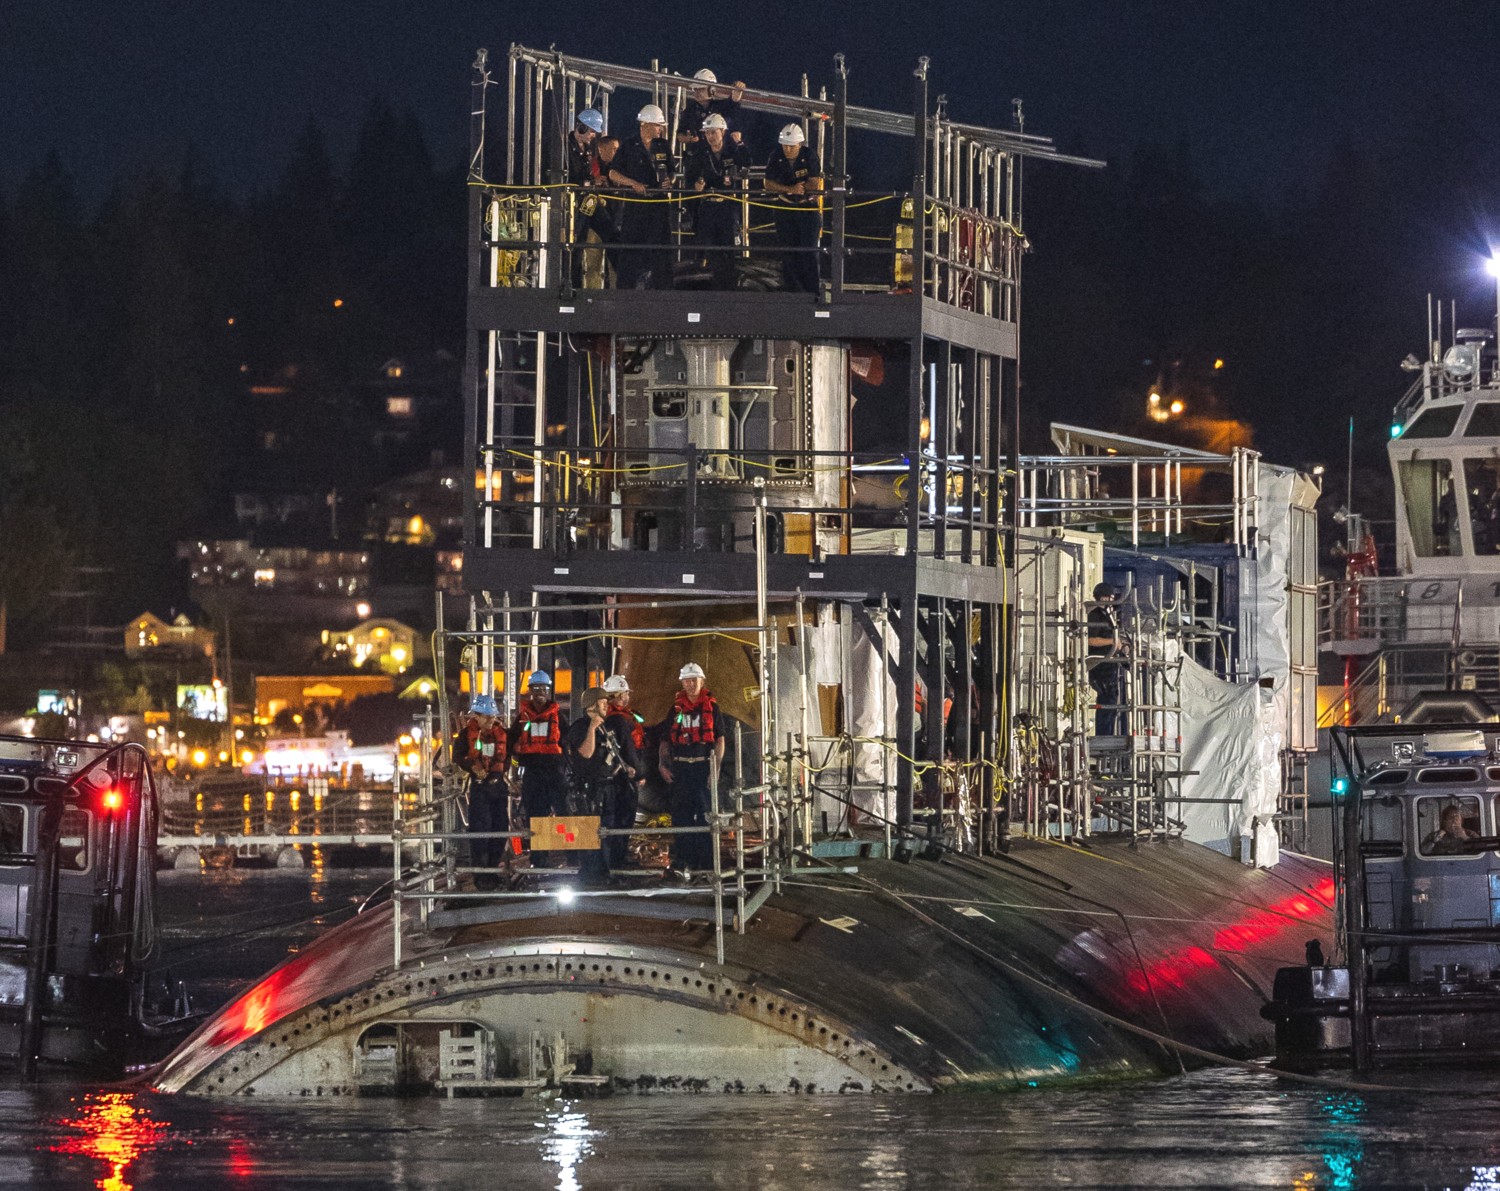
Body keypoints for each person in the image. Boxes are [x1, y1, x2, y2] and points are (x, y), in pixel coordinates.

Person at [658, 661, 725, 875]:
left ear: (702, 681)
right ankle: (684, 860)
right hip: (681, 769)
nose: (690, 684)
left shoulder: (713, 708)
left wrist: (715, 768)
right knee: (681, 816)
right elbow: (665, 740)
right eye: (687, 681)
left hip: (702, 767)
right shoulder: (675, 709)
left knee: (706, 815)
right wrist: (662, 764)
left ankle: (706, 863)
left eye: (694, 680)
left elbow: (720, 740)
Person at [563, 687, 629, 886]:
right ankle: (589, 875)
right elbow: (585, 753)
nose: (606, 705)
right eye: (602, 702)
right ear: (592, 705)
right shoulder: (580, 727)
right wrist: (591, 728)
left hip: (606, 787)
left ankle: (604, 873)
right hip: (588, 789)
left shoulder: (606, 727)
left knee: (606, 833)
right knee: (589, 834)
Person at [609, 104, 677, 289]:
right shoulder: (629, 146)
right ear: (644, 125)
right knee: (630, 250)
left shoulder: (663, 145)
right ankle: (625, 291)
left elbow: (672, 171)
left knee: (662, 250)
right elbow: (613, 173)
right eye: (657, 125)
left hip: (659, 205)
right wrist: (633, 183)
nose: (660, 129)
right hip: (636, 206)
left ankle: (664, 291)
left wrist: (669, 181)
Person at [684, 113, 750, 289]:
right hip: (707, 206)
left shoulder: (732, 150)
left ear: (723, 131)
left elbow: (746, 164)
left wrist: (740, 144)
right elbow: (690, 177)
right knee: (707, 246)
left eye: (714, 132)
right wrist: (696, 186)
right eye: (707, 133)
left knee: (728, 247)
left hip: (727, 206)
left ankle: (728, 286)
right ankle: (707, 285)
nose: (710, 136)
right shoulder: (701, 154)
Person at [452, 693, 510, 890]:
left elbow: (508, 757)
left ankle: (493, 871)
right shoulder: (464, 737)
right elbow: (458, 756)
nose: (491, 719)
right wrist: (473, 767)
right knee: (480, 831)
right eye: (486, 716)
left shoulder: (502, 734)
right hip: (480, 788)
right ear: (475, 715)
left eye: (493, 716)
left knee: (500, 828)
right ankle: (481, 876)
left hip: (499, 787)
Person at [509, 671, 567, 867]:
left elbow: (568, 742)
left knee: (564, 812)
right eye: (536, 689)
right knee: (535, 816)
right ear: (530, 692)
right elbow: (510, 742)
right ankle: (539, 859)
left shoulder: (558, 716)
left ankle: (572, 856)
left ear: (548, 691)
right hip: (533, 774)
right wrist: (516, 769)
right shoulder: (523, 718)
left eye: (543, 689)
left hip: (555, 772)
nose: (540, 692)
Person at [763, 124, 823, 294]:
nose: (787, 149)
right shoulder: (776, 156)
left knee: (809, 252)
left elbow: (813, 181)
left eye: (791, 145)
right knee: (788, 252)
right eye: (785, 145)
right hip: (785, 208)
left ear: (799, 144)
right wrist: (790, 189)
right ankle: (792, 292)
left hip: (807, 209)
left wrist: (802, 191)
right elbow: (768, 183)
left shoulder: (809, 155)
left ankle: (812, 293)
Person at [566, 109, 618, 288]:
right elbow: (567, 177)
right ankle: (571, 283)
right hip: (575, 201)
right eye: (591, 131)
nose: (593, 135)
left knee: (611, 233)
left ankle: (622, 274)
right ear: (580, 128)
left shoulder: (587, 149)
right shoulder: (565, 148)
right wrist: (589, 180)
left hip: (588, 199)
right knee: (577, 242)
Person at [601, 675, 646, 871]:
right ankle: (617, 859)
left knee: (615, 818)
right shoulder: (619, 720)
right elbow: (628, 747)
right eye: (624, 694)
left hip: (611, 777)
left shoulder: (608, 719)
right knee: (624, 817)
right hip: (624, 777)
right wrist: (639, 775)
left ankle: (614, 858)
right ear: (618, 696)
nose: (626, 697)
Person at [1087, 582, 1128, 736]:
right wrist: (1112, 642)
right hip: (1099, 665)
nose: (1111, 600)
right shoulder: (1095, 616)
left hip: (1109, 664)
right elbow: (1090, 640)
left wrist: (1122, 646)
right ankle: (1103, 735)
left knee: (1112, 702)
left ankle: (1108, 733)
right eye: (1109, 597)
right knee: (1106, 701)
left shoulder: (1109, 616)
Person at [678, 68, 746, 148]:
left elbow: (733, 104)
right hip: (698, 155)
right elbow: (680, 133)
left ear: (712, 90)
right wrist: (687, 139)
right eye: (695, 89)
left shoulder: (720, 106)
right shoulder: (689, 110)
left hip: (721, 153)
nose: (697, 92)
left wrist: (737, 91)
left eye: (701, 89)